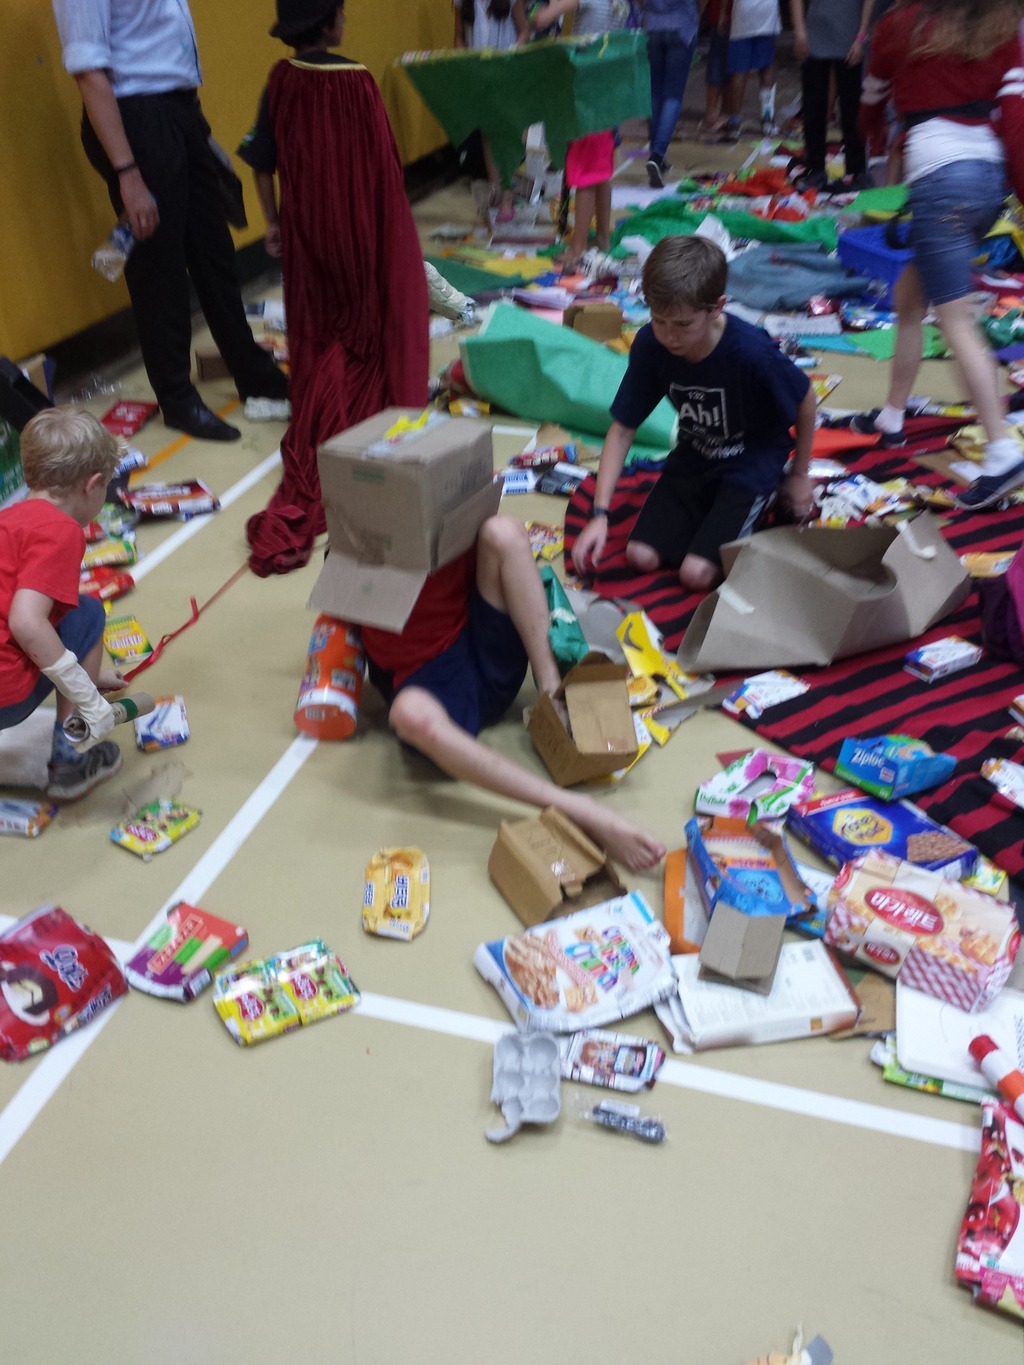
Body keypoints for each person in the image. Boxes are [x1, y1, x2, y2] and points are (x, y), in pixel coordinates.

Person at [238, 2, 429, 575]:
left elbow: (261, 163)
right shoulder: (358, 81)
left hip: (306, 236)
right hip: (359, 236)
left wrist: (273, 221)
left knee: (318, 330)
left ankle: (319, 397)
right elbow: (384, 171)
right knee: (362, 333)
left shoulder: (279, 80)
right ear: (329, 23)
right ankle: (348, 414)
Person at [360, 515, 667, 871]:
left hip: (482, 646)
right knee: (409, 715)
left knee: (503, 530)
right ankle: (577, 810)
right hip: (433, 687)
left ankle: (551, 693)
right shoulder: (355, 527)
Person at [51, 0, 290, 443]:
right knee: (159, 268)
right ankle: (177, 397)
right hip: (137, 117)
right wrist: (127, 172)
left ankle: (252, 372)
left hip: (179, 110)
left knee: (214, 252)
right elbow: (87, 70)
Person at [572, 235, 817, 591]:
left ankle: (767, 496)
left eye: (683, 324)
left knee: (696, 574)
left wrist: (800, 474)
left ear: (717, 307)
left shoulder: (751, 353)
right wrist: (599, 514)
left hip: (750, 463)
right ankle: (710, 518)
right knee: (640, 556)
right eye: (659, 320)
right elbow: (623, 428)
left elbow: (806, 398)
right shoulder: (651, 345)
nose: (669, 336)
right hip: (695, 456)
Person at [856, 0, 1024, 509]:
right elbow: (1016, 120)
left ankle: (1001, 451)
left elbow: (870, 101)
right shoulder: (1002, 26)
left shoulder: (900, 24)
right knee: (910, 297)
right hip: (986, 180)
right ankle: (892, 415)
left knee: (956, 321)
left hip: (938, 182)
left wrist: (874, 135)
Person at [0, 408, 126, 802]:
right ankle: (70, 757)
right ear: (93, 484)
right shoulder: (61, 532)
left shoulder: (8, 520)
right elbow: (26, 622)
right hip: (5, 696)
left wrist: (89, 673)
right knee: (87, 612)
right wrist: (85, 694)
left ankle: (84, 672)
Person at [527, 0, 628, 272]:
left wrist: (535, 8)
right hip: (609, 80)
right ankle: (603, 237)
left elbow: (540, 20)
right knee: (601, 168)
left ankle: (578, 247)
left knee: (584, 168)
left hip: (587, 84)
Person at [454, 2, 530, 222]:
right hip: (480, 76)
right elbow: (459, 37)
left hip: (507, 72)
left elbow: (524, 31)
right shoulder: (462, 3)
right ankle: (496, 190)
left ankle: (507, 196)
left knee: (508, 134)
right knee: (488, 133)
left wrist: (512, 52)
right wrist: (467, 62)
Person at [790, 0, 876, 193]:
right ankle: (815, 168)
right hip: (815, 35)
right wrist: (800, 31)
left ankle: (857, 170)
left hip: (850, 37)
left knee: (852, 109)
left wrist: (861, 36)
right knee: (813, 108)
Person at [640, 0, 701, 187]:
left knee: (655, 94)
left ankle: (656, 154)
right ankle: (657, 155)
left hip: (651, 25)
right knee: (672, 95)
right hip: (681, 24)